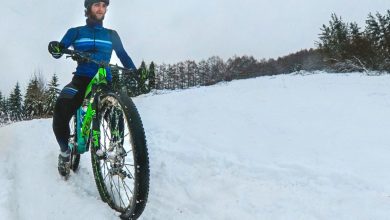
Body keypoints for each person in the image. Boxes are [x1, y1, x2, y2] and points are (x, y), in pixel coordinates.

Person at [48, 0, 137, 176]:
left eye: (104, 6)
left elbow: (123, 55)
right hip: (81, 79)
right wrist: (56, 48)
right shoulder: (76, 32)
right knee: (61, 108)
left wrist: (135, 71)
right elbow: (60, 49)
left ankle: (117, 148)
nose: (101, 9)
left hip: (104, 81)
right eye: (97, 5)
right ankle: (65, 152)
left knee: (116, 111)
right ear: (88, 8)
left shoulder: (112, 35)